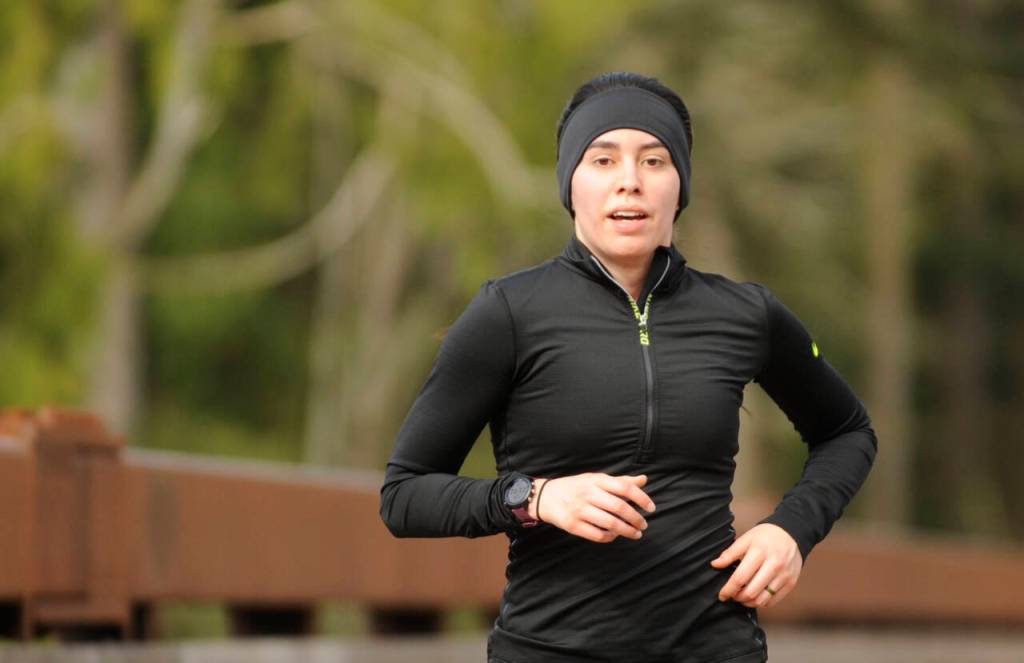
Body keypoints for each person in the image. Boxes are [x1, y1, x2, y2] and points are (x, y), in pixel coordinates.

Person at [379, 71, 877, 663]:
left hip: (714, 648)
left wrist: (792, 530)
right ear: (571, 185)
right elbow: (405, 495)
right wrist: (535, 498)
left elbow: (847, 433)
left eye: (654, 161)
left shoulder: (745, 314)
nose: (629, 184)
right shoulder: (508, 312)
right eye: (603, 160)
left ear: (679, 186)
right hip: (550, 648)